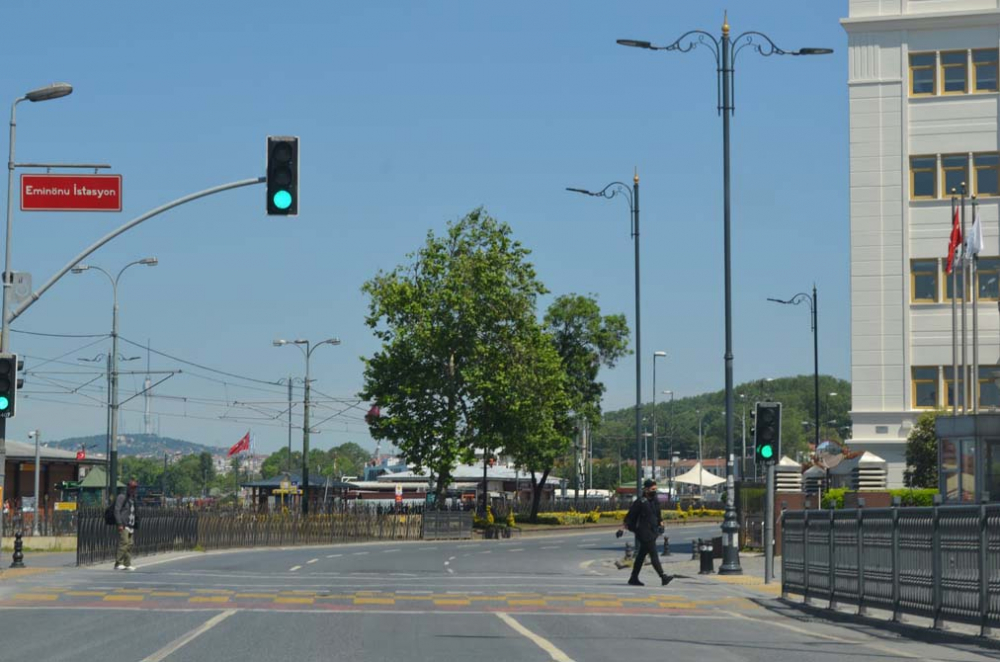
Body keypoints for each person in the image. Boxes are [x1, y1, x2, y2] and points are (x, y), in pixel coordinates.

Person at [621, 479, 672, 586]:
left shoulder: (655, 501)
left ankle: (633, 578)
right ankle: (663, 576)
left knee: (641, 555)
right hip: (643, 532)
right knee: (653, 554)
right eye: (653, 489)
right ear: (646, 489)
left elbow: (658, 515)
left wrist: (661, 524)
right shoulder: (640, 501)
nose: (655, 491)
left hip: (653, 531)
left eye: (656, 489)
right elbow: (630, 516)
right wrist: (622, 528)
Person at [114, 479, 140, 570]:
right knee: (124, 543)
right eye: (132, 487)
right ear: (128, 487)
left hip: (130, 524)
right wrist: (119, 523)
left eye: (135, 487)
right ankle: (118, 563)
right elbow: (117, 510)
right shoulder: (122, 497)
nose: (134, 489)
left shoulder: (133, 498)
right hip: (124, 524)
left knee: (130, 544)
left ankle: (127, 563)